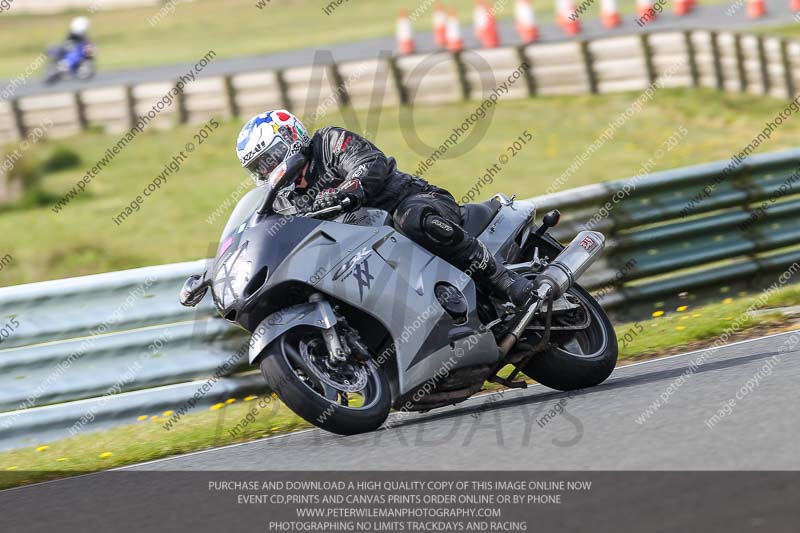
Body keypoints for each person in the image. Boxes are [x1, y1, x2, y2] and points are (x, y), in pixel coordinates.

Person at [235, 110, 535, 308]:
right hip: (362, 246)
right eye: (259, 167)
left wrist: (348, 189)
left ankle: (503, 279)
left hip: (414, 203)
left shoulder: (328, 141)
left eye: (270, 158)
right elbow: (268, 231)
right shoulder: (282, 201)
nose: (269, 170)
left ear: (291, 138)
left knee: (412, 220)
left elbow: (369, 163)